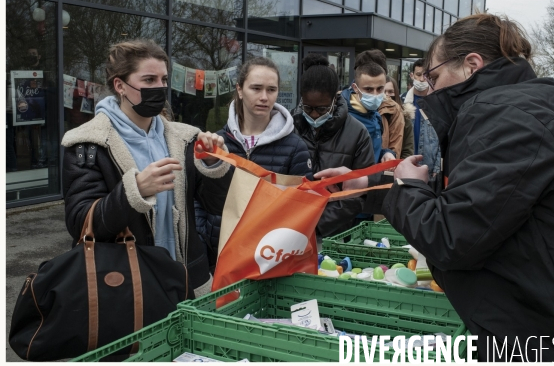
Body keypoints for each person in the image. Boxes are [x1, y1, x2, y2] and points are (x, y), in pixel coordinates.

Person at [315, 13, 554, 362]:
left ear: (471, 65)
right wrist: (367, 184)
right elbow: (476, 200)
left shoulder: (511, 118)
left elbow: (450, 233)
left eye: (434, 76)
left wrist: (405, 188)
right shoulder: (521, 108)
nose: (429, 88)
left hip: (547, 329)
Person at [61, 39, 230, 298]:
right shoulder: (88, 142)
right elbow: (81, 223)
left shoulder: (185, 138)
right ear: (120, 85)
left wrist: (213, 164)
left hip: (184, 281)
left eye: (163, 79)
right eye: (149, 80)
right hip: (124, 288)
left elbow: (215, 206)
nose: (160, 88)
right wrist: (135, 191)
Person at [195, 57, 312, 272]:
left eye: (271, 89)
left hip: (270, 260)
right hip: (219, 255)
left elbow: (301, 210)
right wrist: (206, 234)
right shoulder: (217, 143)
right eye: (256, 88)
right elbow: (198, 199)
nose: (264, 97)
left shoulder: (295, 147)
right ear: (239, 90)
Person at [293, 53, 374, 238]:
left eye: (321, 109)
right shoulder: (288, 127)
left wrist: (316, 227)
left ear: (335, 98)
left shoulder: (358, 133)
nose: (313, 115)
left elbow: (360, 193)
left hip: (335, 235)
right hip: (291, 230)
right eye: (307, 107)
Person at [353, 49, 405, 163]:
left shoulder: (393, 109)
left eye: (379, 88)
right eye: (368, 88)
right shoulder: (340, 105)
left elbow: (397, 148)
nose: (374, 94)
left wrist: (388, 155)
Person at [400, 59, 442, 191]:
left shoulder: (438, 102)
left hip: (429, 168)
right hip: (406, 165)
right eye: (418, 74)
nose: (422, 79)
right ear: (412, 75)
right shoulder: (401, 102)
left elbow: (443, 135)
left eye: (425, 75)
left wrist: (437, 166)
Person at [385, 76, 415, 159]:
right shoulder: (374, 115)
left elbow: (408, 150)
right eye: (384, 91)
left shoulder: (404, 118)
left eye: (390, 92)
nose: (387, 95)